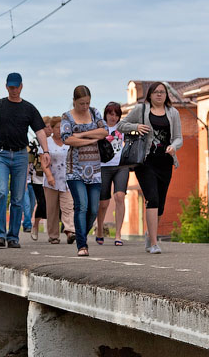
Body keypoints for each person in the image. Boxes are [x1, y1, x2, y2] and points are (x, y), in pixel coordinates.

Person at [0, 73, 49, 249]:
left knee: (17, 197)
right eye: (11, 87)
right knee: (1, 192)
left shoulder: (28, 108)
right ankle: (0, 235)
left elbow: (40, 131)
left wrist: (45, 150)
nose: (14, 90)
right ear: (6, 87)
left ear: (21, 87)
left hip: (20, 155)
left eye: (16, 87)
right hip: (0, 154)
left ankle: (13, 236)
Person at [118, 82, 183, 255]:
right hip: (146, 162)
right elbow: (121, 125)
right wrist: (136, 127)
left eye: (162, 92)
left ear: (166, 95)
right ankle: (154, 243)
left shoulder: (173, 113)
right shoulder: (141, 110)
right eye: (156, 92)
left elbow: (178, 138)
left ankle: (149, 235)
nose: (159, 95)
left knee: (160, 203)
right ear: (150, 95)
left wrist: (174, 147)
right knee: (152, 198)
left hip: (165, 162)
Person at [60, 85, 108, 257]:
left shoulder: (95, 113)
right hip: (75, 169)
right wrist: (89, 139)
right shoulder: (67, 117)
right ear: (74, 101)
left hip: (94, 169)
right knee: (82, 206)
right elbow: (67, 139)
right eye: (81, 104)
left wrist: (80, 135)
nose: (85, 107)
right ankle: (82, 245)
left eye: (87, 103)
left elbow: (104, 131)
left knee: (93, 209)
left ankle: (80, 234)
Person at [96, 102, 129, 246]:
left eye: (116, 115)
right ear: (106, 114)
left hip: (121, 166)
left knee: (120, 196)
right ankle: (99, 229)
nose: (113, 117)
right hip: (104, 167)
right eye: (111, 114)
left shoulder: (122, 127)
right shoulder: (100, 128)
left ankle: (118, 234)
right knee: (103, 203)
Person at [41, 116, 74, 244]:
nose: (60, 130)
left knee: (68, 207)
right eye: (57, 127)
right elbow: (43, 162)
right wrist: (49, 176)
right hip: (51, 180)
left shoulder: (69, 141)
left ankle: (70, 231)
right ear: (52, 128)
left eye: (62, 127)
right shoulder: (47, 142)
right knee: (52, 209)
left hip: (67, 180)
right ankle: (53, 235)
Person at [26, 137, 46, 241]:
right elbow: (28, 162)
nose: (49, 130)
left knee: (56, 206)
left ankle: (54, 233)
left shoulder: (55, 142)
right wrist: (25, 179)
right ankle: (35, 225)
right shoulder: (34, 143)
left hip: (56, 178)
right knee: (42, 203)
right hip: (37, 178)